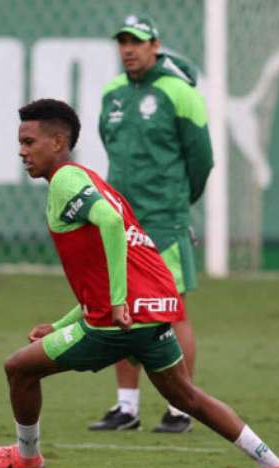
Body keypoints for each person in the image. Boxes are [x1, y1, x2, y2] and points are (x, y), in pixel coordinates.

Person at [0, 98, 279, 468]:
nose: (21, 151)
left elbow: (109, 226)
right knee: (187, 396)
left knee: (19, 369)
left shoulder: (65, 181)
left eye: (29, 141)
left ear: (58, 142)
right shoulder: (92, 180)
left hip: (119, 322)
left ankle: (26, 456)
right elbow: (108, 268)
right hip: (152, 312)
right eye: (20, 142)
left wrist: (118, 303)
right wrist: (60, 325)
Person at [91, 14, 214, 433]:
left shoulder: (180, 94)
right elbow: (110, 144)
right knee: (123, 307)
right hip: (121, 220)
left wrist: (180, 202)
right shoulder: (112, 93)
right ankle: (126, 407)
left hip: (165, 219)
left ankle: (182, 407)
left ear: (155, 46)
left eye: (137, 41)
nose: (128, 49)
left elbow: (201, 158)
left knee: (171, 308)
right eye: (122, 41)